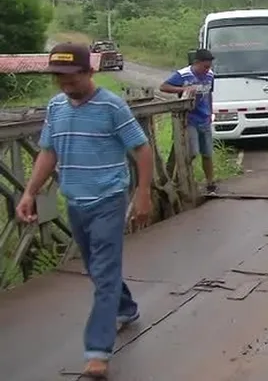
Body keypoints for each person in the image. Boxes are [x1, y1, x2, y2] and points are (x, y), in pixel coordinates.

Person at [16, 42, 153, 379]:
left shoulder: (112, 107)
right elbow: (48, 152)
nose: (64, 83)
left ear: (89, 72)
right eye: (58, 77)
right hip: (76, 200)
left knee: (104, 273)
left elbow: (142, 148)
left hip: (108, 199)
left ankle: (97, 351)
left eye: (71, 76)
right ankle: (126, 308)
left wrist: (143, 193)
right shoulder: (56, 107)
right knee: (96, 268)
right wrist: (29, 192)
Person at [159, 48, 216, 194]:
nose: (206, 69)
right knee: (192, 152)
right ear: (196, 63)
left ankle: (210, 183)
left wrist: (210, 111)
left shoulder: (210, 75)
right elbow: (163, 87)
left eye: (209, 67)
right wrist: (184, 89)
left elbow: (209, 94)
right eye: (204, 66)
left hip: (204, 118)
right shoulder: (183, 74)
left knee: (208, 153)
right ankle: (183, 180)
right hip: (189, 119)